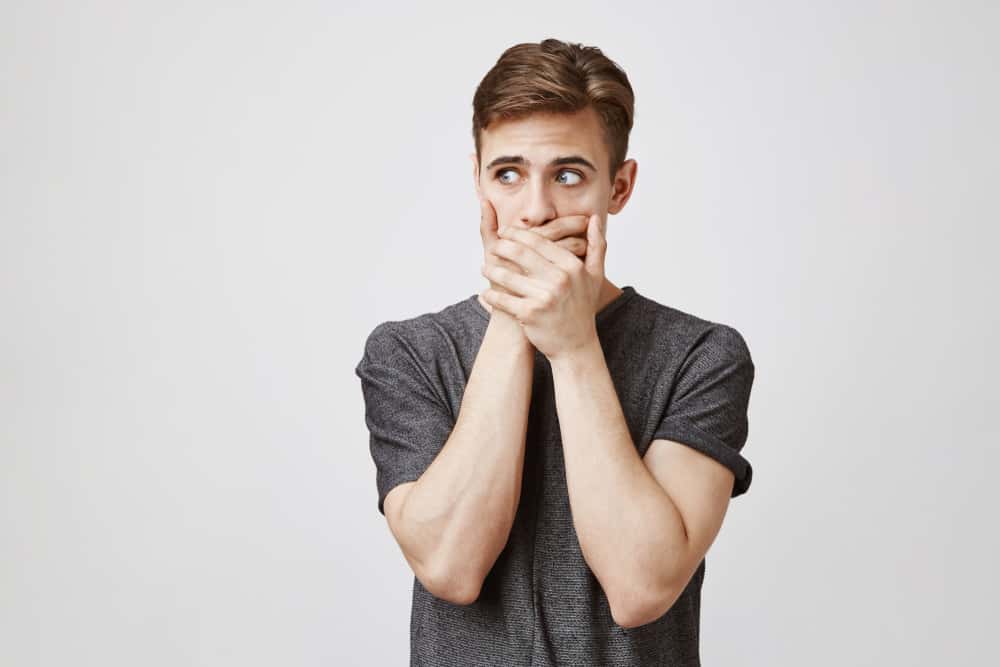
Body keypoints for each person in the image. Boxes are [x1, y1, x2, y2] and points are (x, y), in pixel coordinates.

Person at [354, 38, 755, 666]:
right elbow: (451, 567)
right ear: (478, 180)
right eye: (508, 175)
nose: (536, 211)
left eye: (568, 176)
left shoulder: (701, 356)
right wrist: (514, 318)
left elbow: (641, 587)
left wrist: (573, 348)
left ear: (619, 187)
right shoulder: (407, 353)